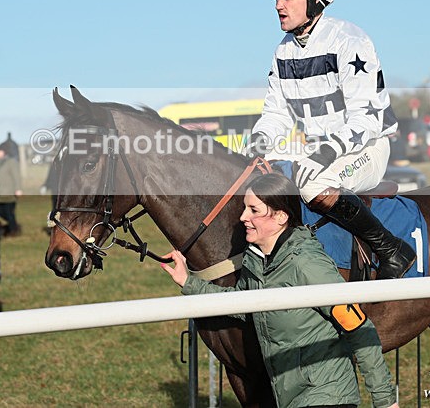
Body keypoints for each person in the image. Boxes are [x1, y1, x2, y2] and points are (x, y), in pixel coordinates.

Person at [161, 174, 398, 408]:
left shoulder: (307, 265)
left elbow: (359, 328)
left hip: (327, 397)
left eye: (254, 210)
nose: (243, 217)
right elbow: (240, 304)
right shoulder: (256, 260)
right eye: (245, 208)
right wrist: (188, 282)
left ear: (281, 216)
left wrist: (385, 401)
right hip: (289, 398)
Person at [248, 0, 415, 279]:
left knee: (314, 183)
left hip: (364, 148)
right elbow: (276, 113)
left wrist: (324, 152)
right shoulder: (283, 51)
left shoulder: (349, 41)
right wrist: (259, 143)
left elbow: (366, 120)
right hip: (315, 150)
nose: (278, 6)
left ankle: (391, 248)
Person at [0, 143, 23, 237]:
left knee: (9, 213)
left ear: (4, 152)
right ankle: (13, 226)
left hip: (9, 192)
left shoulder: (11, 162)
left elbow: (16, 176)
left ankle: (13, 231)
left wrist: (18, 189)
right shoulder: (0, 162)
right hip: (0, 193)